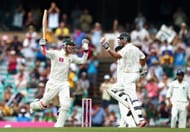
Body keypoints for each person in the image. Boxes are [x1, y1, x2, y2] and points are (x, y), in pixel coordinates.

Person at [30, 38, 89, 127]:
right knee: (43, 105)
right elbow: (45, 52)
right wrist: (42, 45)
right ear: (64, 45)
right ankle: (33, 105)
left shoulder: (71, 57)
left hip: (64, 83)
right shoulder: (56, 54)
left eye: (73, 47)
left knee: (66, 105)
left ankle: (59, 126)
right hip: (53, 83)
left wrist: (86, 50)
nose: (72, 48)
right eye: (70, 46)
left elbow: (83, 61)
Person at [100, 32, 147, 127]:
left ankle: (140, 120)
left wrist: (107, 47)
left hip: (129, 76)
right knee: (111, 89)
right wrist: (142, 67)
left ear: (125, 39)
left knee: (132, 97)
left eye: (121, 39)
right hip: (134, 74)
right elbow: (143, 58)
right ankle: (128, 104)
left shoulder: (126, 48)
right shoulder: (136, 48)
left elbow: (116, 56)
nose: (119, 41)